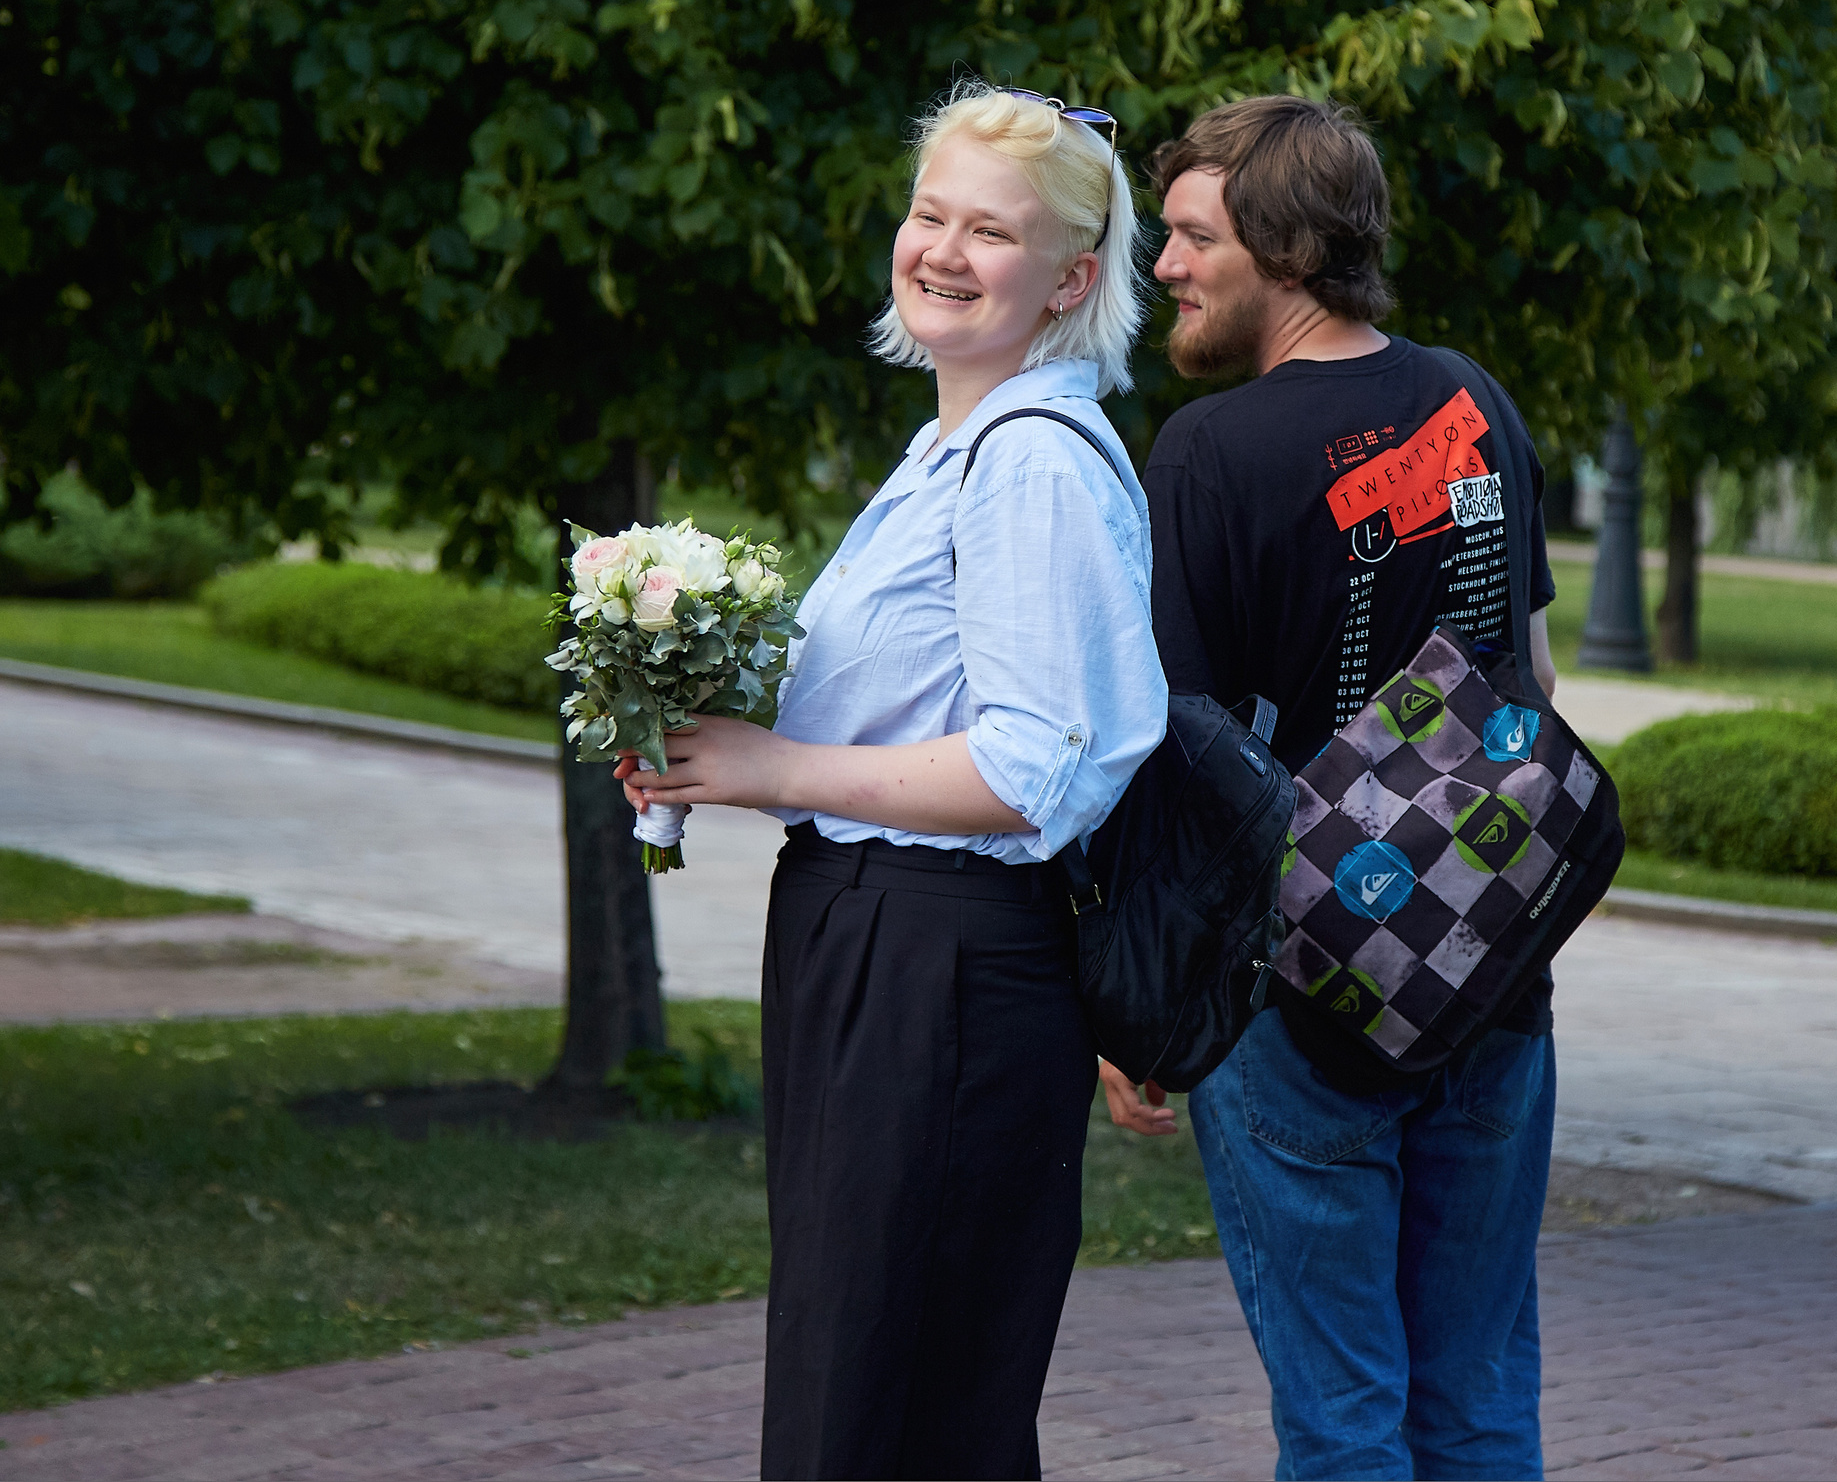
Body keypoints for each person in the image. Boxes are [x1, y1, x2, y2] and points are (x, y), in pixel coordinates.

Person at [620, 82, 1167, 1480]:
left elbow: (1033, 769)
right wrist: (711, 737)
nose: (943, 250)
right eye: (931, 213)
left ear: (1070, 279)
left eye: (994, 230)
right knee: (863, 1376)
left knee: (892, 1398)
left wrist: (774, 764)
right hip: (874, 937)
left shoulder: (1029, 464)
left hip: (943, 960)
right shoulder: (950, 449)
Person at [1100, 95, 1562, 1481]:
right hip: (1489, 967)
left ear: (1290, 249)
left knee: (1343, 1412)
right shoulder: (1476, 399)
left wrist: (1142, 1009)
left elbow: (1180, 765)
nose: (1164, 267)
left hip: (1298, 991)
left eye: (1194, 237)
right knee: (1478, 1397)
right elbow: (1534, 681)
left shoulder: (1207, 453)